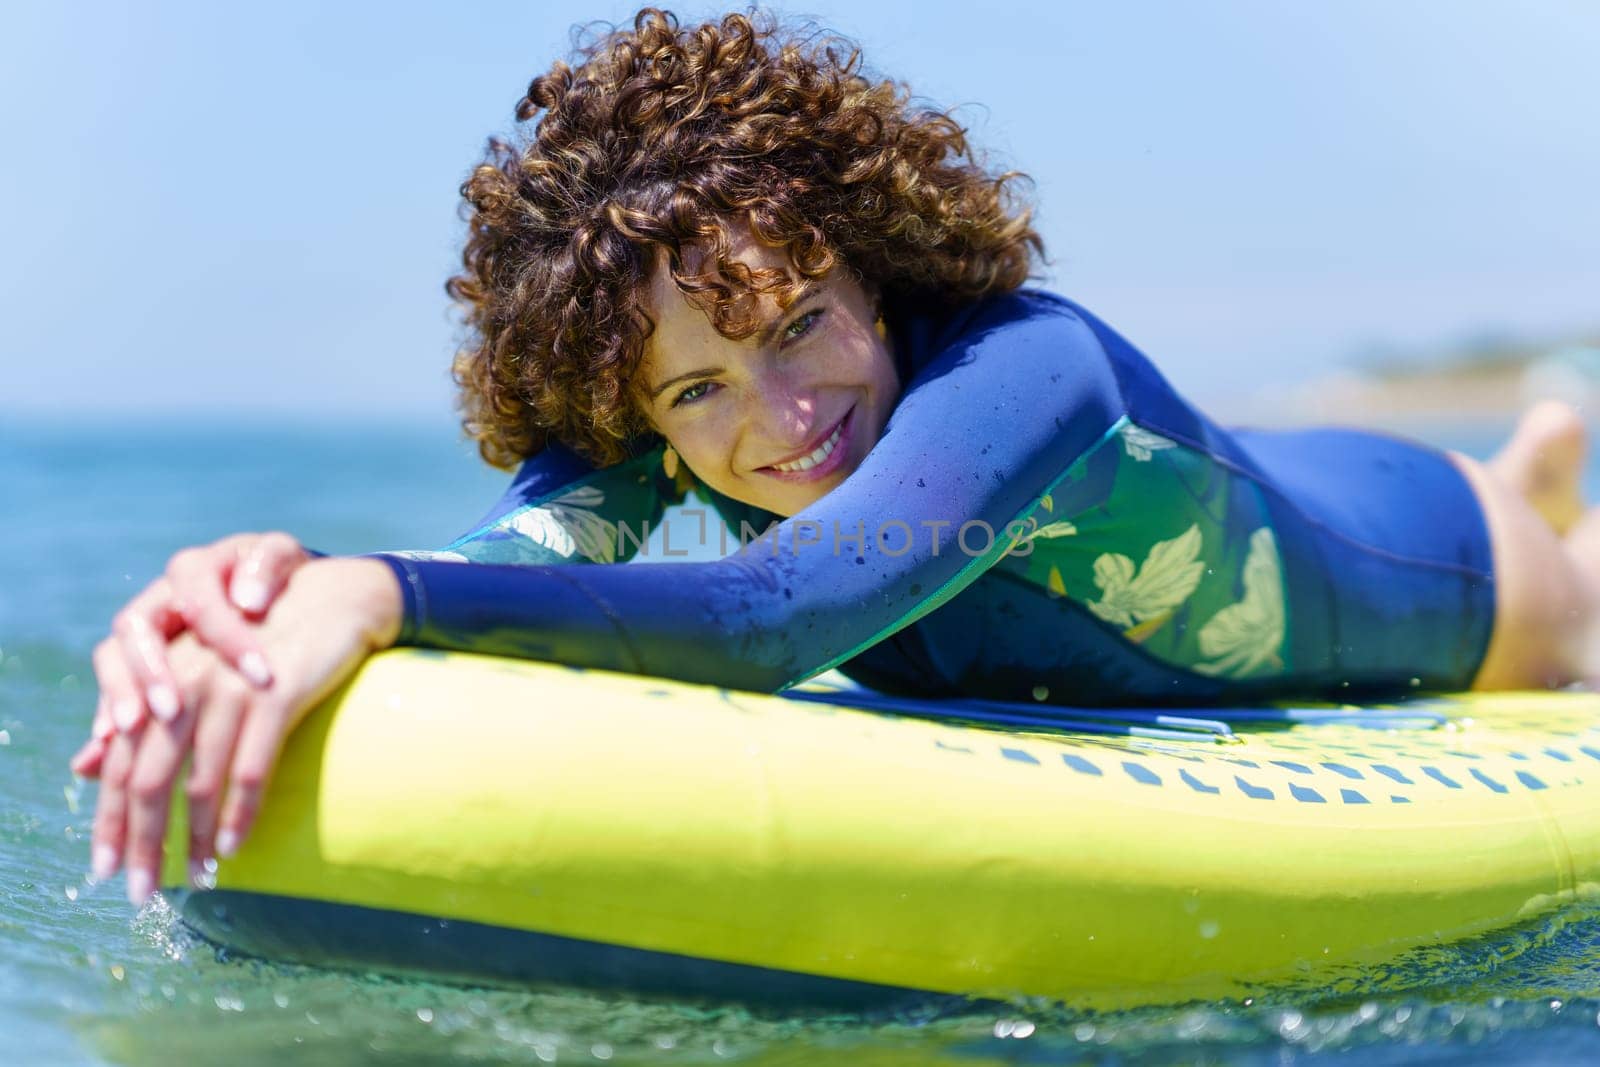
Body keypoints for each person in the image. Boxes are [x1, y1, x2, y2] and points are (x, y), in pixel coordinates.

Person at [71, 8, 1600, 907]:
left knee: (1573, 606)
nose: (781, 412)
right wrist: (261, 609)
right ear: (639, 413)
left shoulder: (1027, 366)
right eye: (696, 393)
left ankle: (1544, 508)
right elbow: (510, 563)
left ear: (872, 266)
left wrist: (379, 597)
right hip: (1229, 484)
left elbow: (782, 615)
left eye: (801, 321)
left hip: (1447, 568)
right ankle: (1544, 462)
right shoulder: (686, 421)